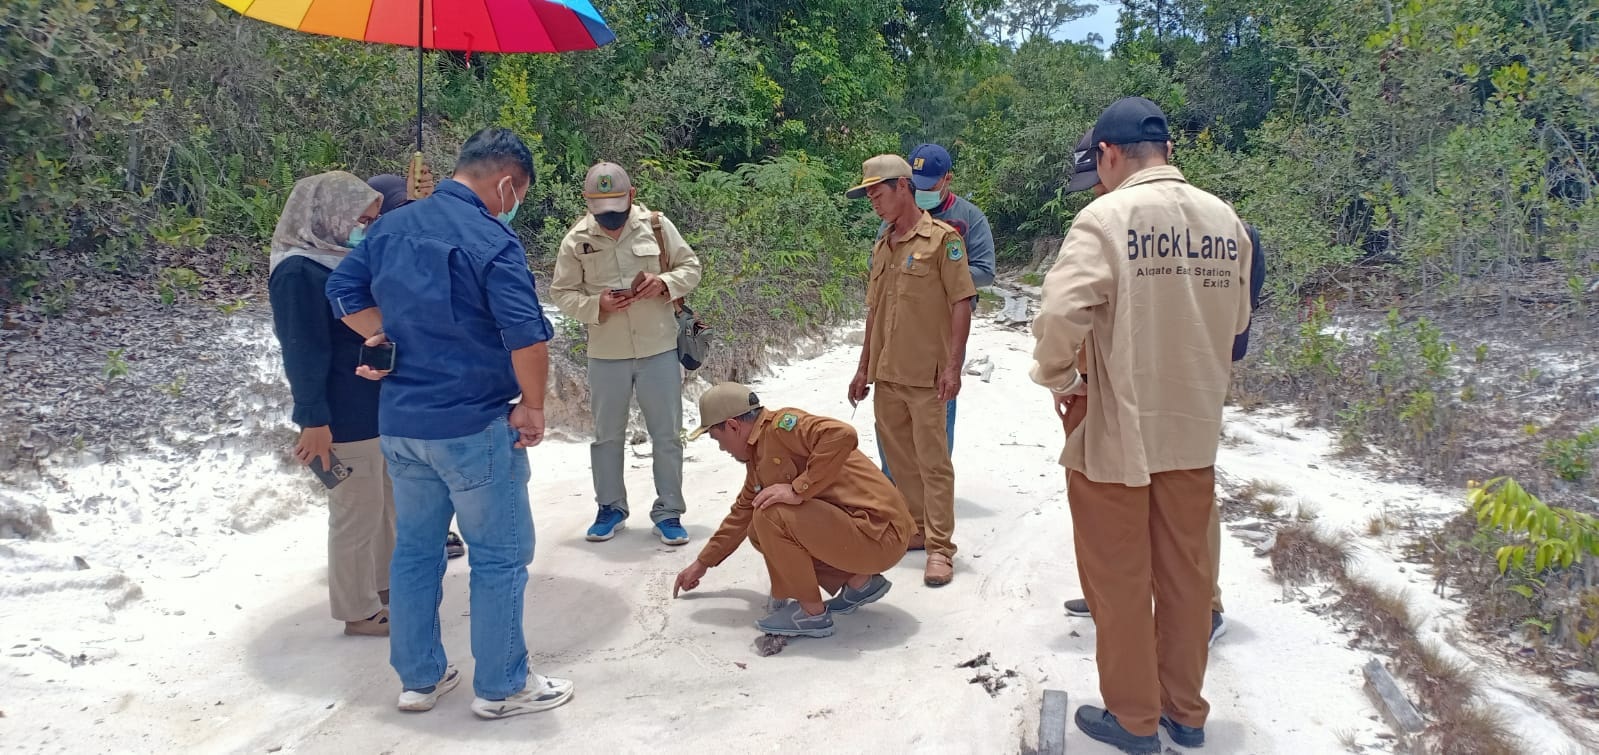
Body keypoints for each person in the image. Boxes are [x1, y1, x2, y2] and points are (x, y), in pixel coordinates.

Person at [325, 127, 574, 720]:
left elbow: (341, 288)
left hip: (401, 425)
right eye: (519, 194)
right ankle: (503, 686)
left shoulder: (389, 227)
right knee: (498, 556)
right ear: (507, 183)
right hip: (471, 425)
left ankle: (419, 680)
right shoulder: (492, 240)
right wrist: (533, 406)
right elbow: (526, 336)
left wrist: (384, 335)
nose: (515, 205)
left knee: (415, 553)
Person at [1030, 98, 1253, 753]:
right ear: (1167, 150)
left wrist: (1061, 379)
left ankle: (1133, 720)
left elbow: (1059, 316)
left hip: (1118, 434)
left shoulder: (1105, 218)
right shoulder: (1226, 221)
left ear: (1105, 154)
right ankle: (1186, 713)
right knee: (1186, 579)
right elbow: (1238, 323)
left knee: (1119, 581)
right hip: (1193, 432)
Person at [1054, 129, 1268, 648]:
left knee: (1177, 507)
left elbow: (1229, 323)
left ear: (1110, 157)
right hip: (1135, 389)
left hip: (1164, 387)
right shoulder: (1213, 221)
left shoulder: (1135, 222)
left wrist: (1061, 374)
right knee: (1136, 505)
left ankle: (1199, 608)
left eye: (1097, 178)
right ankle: (1118, 598)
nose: (1097, 190)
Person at [671, 383, 914, 638]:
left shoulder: (783, 427)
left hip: (882, 535)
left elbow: (842, 434)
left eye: (717, 439)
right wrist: (702, 564)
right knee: (757, 526)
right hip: (869, 536)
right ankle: (859, 582)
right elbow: (740, 515)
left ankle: (811, 614)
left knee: (771, 514)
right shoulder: (759, 456)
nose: (722, 448)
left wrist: (799, 489)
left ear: (733, 426)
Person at [268, 171, 394, 638]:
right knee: (355, 512)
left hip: (371, 404)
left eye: (372, 220)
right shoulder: (298, 272)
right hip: (341, 413)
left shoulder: (339, 260)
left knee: (381, 505)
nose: (366, 228)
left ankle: (382, 586)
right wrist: (313, 419)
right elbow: (302, 351)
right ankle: (357, 610)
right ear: (330, 214)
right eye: (362, 219)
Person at [550, 162, 703, 546]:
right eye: (602, 211)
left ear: (631, 196)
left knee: (666, 435)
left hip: (658, 348)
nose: (610, 219)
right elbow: (561, 293)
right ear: (587, 202)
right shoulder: (576, 240)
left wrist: (663, 283)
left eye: (617, 209)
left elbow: (691, 267)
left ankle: (669, 512)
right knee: (606, 436)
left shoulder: (656, 226)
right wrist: (596, 304)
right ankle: (610, 508)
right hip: (607, 352)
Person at [846, 155, 977, 586]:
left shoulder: (943, 241)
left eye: (877, 194)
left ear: (903, 187)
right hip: (888, 375)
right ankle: (916, 528)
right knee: (899, 461)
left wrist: (954, 366)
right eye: (868, 197)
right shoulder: (883, 244)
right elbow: (874, 311)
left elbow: (961, 302)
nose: (874, 203)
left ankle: (940, 548)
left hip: (927, 377)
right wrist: (863, 368)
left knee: (933, 463)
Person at [874, 143, 996, 493]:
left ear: (947, 180)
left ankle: (932, 494)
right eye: (916, 185)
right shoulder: (895, 219)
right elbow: (880, 266)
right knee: (893, 415)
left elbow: (986, 271)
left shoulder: (968, 217)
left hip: (943, 329)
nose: (921, 192)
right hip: (898, 327)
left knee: (938, 411)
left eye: (929, 185)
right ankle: (894, 491)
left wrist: (938, 273)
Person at [365, 173, 466, 562]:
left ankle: (432, 531)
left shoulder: (407, 245)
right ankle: (407, 540)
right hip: (382, 375)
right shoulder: (371, 252)